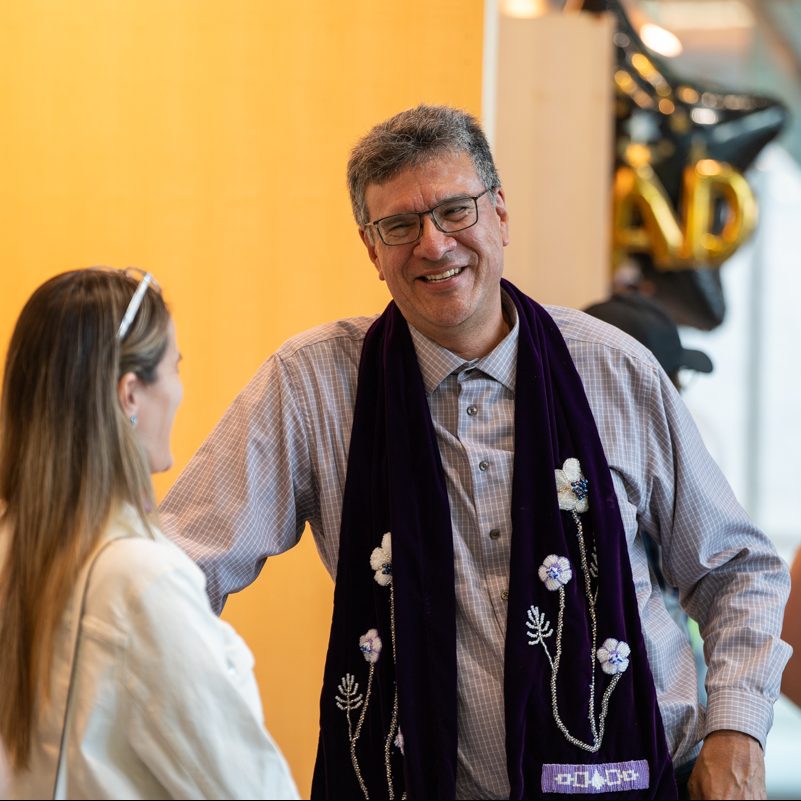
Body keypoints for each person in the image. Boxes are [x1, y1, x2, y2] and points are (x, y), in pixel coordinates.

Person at [160, 105, 790, 800]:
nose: (432, 244)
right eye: (398, 225)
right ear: (371, 249)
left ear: (499, 215)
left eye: (455, 211)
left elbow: (736, 567)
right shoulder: (312, 386)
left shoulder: (611, 368)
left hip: (632, 778)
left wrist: (737, 730)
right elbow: (173, 574)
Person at [0, 269, 299, 800]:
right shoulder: (140, 580)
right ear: (131, 394)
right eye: (175, 368)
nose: (180, 392)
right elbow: (250, 788)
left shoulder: (12, 543)